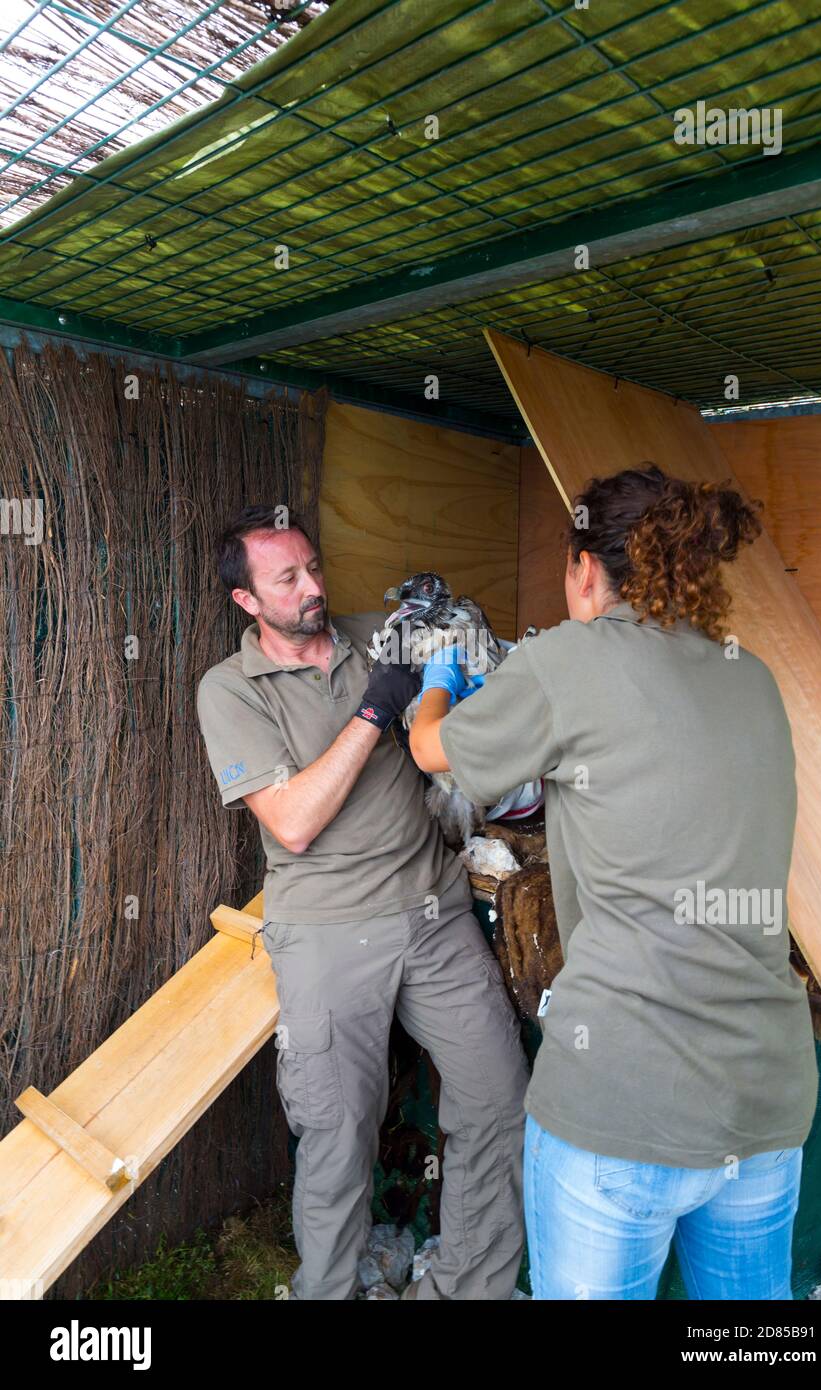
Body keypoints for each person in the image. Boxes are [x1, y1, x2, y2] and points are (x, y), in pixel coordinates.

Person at [409, 464, 819, 1301]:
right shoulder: (754, 678)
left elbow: (432, 754)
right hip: (765, 1095)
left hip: (625, 1101)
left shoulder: (570, 658)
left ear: (586, 569)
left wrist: (437, 687)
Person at [195, 505, 529, 1301]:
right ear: (247, 601)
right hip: (328, 931)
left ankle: (463, 1288)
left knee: (498, 1101)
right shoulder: (230, 691)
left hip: (434, 910)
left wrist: (456, 641)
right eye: (288, 579)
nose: (313, 587)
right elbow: (296, 822)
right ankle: (330, 1291)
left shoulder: (371, 634)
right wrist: (376, 707)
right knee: (338, 1134)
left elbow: (473, 666)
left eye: (313, 566)